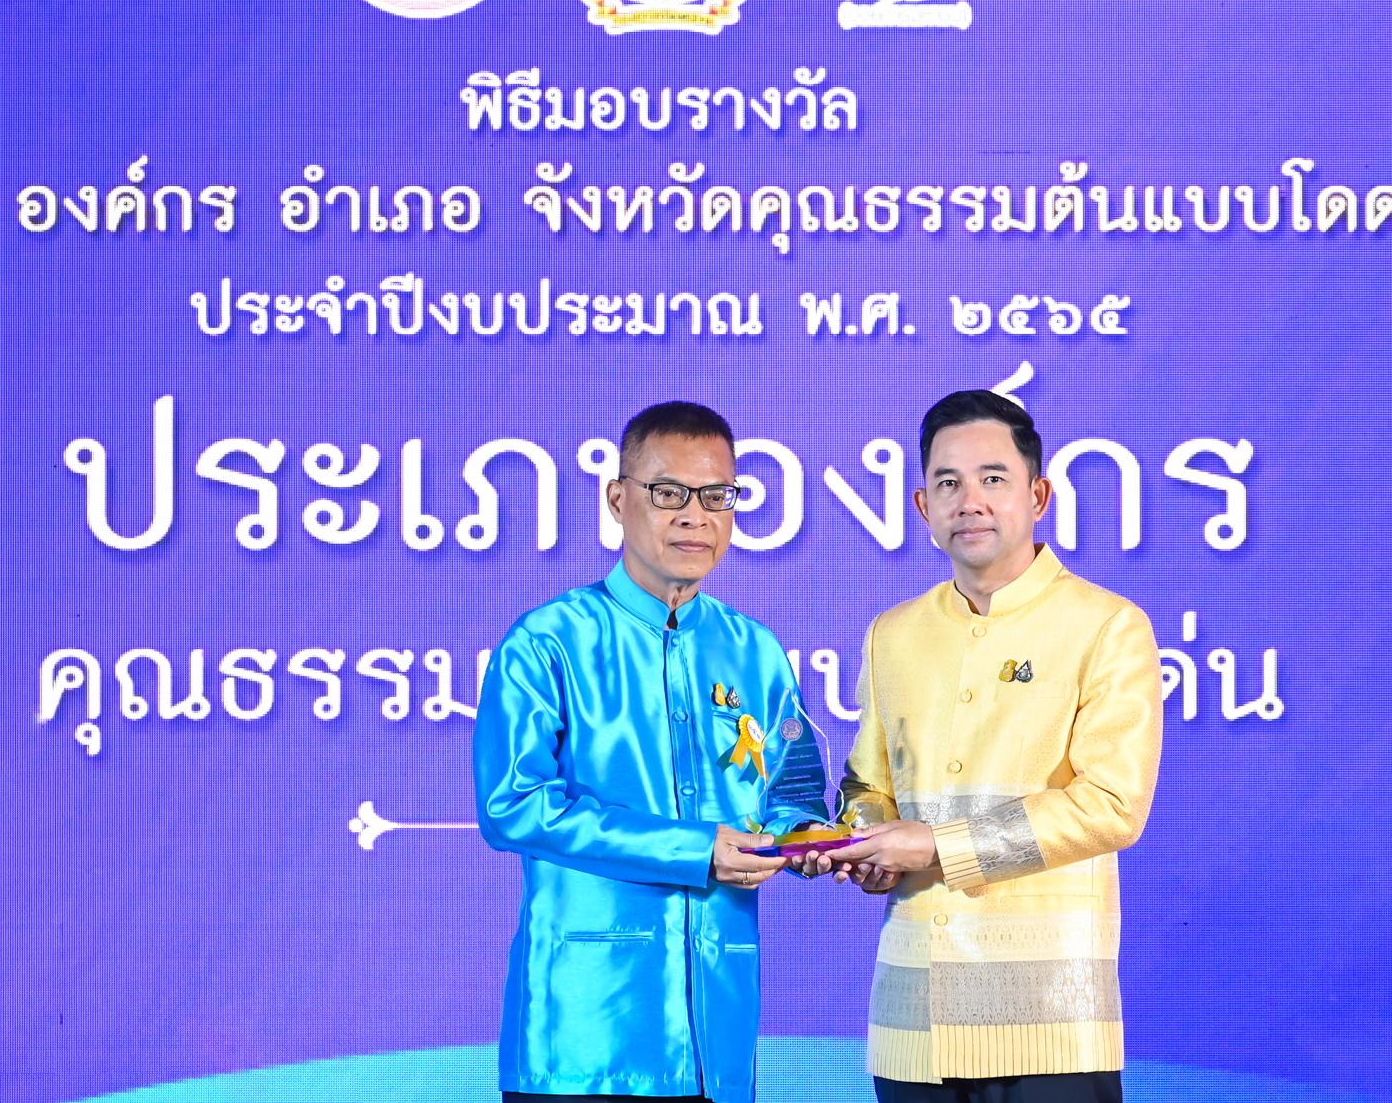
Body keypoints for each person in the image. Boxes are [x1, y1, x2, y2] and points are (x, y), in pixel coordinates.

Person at [473, 401, 831, 1103]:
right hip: (582, 1040)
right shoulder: (547, 641)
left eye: (717, 495)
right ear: (618, 499)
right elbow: (512, 806)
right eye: (669, 493)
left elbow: (792, 792)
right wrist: (695, 849)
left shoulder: (755, 650)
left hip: (718, 1038)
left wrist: (807, 839)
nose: (695, 516)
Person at [824, 390, 1163, 1103]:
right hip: (912, 1022)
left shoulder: (1107, 626)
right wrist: (867, 844)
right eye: (947, 483)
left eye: (993, 478)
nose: (969, 501)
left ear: (1038, 495)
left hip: (1050, 1023)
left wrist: (933, 844)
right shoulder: (893, 633)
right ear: (923, 506)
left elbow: (1112, 806)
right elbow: (867, 785)